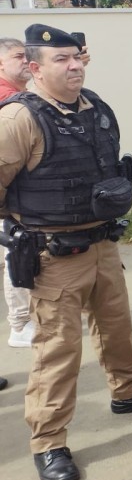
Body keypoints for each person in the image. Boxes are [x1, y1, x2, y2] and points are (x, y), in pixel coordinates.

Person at [0, 24, 132, 480]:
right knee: (59, 351)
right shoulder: (18, 119)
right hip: (53, 255)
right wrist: (19, 231)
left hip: (102, 245)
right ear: (35, 68)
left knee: (117, 326)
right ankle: (49, 441)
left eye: (77, 56)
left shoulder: (96, 108)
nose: (74, 65)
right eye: (61, 59)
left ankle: (129, 391)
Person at [0, 36, 35, 348]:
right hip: (9, 198)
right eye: (18, 57)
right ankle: (20, 325)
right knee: (16, 254)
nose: (25, 61)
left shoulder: (18, 94)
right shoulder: (5, 98)